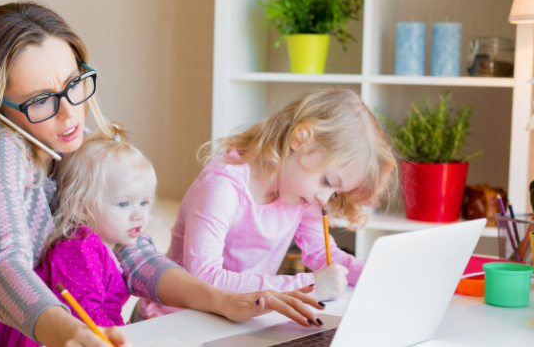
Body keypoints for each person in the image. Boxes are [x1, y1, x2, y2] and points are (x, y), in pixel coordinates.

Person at [0, 2, 323, 347]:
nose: (70, 114)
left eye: (74, 85)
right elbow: (3, 267)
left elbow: (133, 253)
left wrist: (224, 300)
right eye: (41, 101)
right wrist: (70, 333)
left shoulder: (71, 144)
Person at [138, 88, 397, 320]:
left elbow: (324, 255)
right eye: (327, 181)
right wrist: (305, 287)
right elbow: (203, 278)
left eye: (336, 193)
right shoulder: (224, 184)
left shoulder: (301, 195)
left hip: (235, 319)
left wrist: (378, 272)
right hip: (173, 319)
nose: (324, 199)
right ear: (300, 139)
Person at [0, 125, 164, 346]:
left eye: (144, 202)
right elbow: (86, 317)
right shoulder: (81, 248)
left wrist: (132, 331)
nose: (139, 215)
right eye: (124, 204)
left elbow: (103, 316)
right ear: (82, 208)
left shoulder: (105, 247)